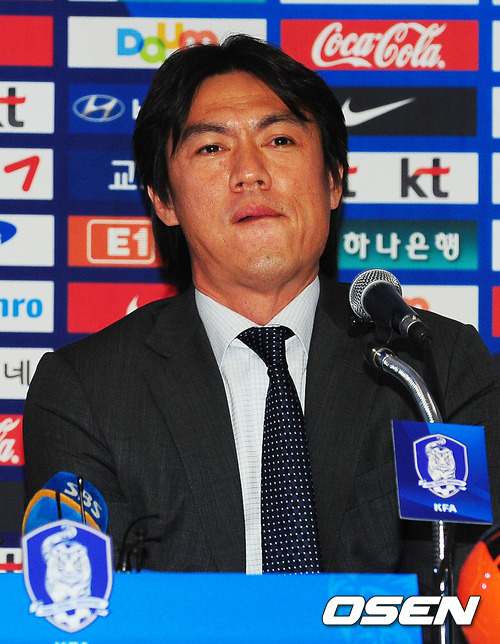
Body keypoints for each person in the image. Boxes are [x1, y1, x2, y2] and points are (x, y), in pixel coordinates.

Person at [23, 36, 500, 596]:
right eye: (211, 148)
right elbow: (81, 607)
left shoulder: (431, 365)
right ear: (163, 200)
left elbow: (465, 596)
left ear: (333, 181)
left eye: (279, 139)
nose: (249, 172)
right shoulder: (87, 390)